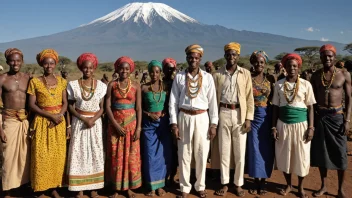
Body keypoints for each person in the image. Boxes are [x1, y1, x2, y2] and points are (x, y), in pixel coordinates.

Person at [169, 44, 218, 198]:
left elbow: (213, 103)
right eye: (191, 57)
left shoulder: (208, 77)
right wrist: (174, 123)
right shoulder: (179, 77)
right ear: (187, 58)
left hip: (202, 117)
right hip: (184, 116)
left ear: (200, 59)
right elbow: (173, 102)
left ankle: (200, 185)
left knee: (202, 153)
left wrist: (213, 124)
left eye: (196, 58)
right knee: (184, 153)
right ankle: (184, 187)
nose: (193, 60)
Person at [211, 42, 254, 197]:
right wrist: (213, 121)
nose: (231, 57)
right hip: (223, 112)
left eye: (234, 54)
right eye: (228, 54)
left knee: (239, 152)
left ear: (238, 56)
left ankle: (238, 184)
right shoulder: (217, 74)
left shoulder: (245, 74)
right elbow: (213, 98)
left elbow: (249, 98)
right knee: (224, 151)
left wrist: (249, 118)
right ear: (225, 56)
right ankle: (224, 183)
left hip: (239, 115)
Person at [271, 53, 316, 198]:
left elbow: (310, 108)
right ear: (284, 67)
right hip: (282, 125)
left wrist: (311, 128)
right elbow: (275, 108)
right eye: (289, 66)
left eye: (295, 66)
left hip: (301, 126)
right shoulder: (279, 84)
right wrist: (273, 127)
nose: (292, 68)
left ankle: (300, 187)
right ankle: (288, 184)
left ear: (299, 68)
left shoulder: (305, 84)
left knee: (301, 157)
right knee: (285, 155)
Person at [310, 44, 351, 198]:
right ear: (320, 57)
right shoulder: (316, 76)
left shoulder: (344, 74)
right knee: (322, 153)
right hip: (321, 117)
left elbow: (349, 98)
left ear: (335, 57)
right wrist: (312, 123)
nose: (327, 58)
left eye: (330, 56)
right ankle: (324, 186)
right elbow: (312, 101)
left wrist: (347, 120)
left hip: (338, 117)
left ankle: (340, 189)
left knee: (340, 153)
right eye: (324, 56)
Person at [27, 49, 69, 197]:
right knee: (41, 155)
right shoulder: (35, 82)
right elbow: (32, 105)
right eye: (46, 63)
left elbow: (65, 103)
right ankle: (40, 187)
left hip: (59, 122)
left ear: (55, 64)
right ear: (42, 65)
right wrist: (50, 116)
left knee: (57, 157)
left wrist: (59, 116)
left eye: (51, 63)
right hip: (42, 121)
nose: (49, 66)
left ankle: (54, 188)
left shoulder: (62, 81)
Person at [66, 53, 107, 197]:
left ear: (94, 69)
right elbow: (70, 107)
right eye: (85, 68)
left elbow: (102, 107)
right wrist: (84, 119)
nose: (87, 70)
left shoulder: (101, 86)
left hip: (95, 124)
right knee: (79, 153)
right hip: (79, 123)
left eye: (90, 68)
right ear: (81, 68)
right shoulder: (73, 85)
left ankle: (94, 188)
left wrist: (92, 119)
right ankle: (79, 189)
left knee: (95, 153)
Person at [105, 56, 142, 198]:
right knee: (116, 156)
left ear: (131, 70)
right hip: (115, 127)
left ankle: (128, 188)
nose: (124, 71)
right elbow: (107, 106)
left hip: (131, 126)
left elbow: (138, 108)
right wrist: (114, 124)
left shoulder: (136, 85)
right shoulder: (112, 85)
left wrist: (138, 128)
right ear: (117, 69)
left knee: (130, 156)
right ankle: (116, 188)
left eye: (127, 69)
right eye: (121, 68)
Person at [0, 48, 31, 197]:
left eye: (18, 60)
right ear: (7, 62)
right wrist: (0, 128)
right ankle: (7, 188)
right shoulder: (2, 79)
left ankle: (22, 186)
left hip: (24, 121)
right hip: (9, 121)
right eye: (12, 60)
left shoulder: (28, 78)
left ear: (22, 61)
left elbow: (32, 102)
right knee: (8, 156)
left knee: (24, 155)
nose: (15, 63)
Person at [141, 60, 172, 197]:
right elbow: (138, 108)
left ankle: (161, 185)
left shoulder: (165, 87)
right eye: (152, 72)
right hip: (148, 126)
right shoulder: (143, 88)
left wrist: (164, 111)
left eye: (157, 72)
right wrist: (148, 114)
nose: (154, 74)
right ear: (148, 73)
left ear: (161, 73)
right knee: (149, 155)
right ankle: (151, 186)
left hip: (163, 125)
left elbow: (169, 104)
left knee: (162, 155)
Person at [246, 51, 275, 195]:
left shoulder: (271, 79)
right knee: (254, 149)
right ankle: (255, 180)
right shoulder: (248, 79)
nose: (259, 64)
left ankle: (263, 181)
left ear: (265, 64)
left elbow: (274, 100)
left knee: (265, 150)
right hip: (252, 116)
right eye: (257, 61)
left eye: (262, 62)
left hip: (267, 117)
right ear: (252, 62)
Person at [161, 57, 178, 185]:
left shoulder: (177, 83)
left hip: (175, 120)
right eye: (167, 67)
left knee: (174, 149)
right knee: (163, 148)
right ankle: (162, 176)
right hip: (162, 120)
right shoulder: (159, 83)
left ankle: (172, 176)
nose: (169, 70)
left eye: (171, 68)